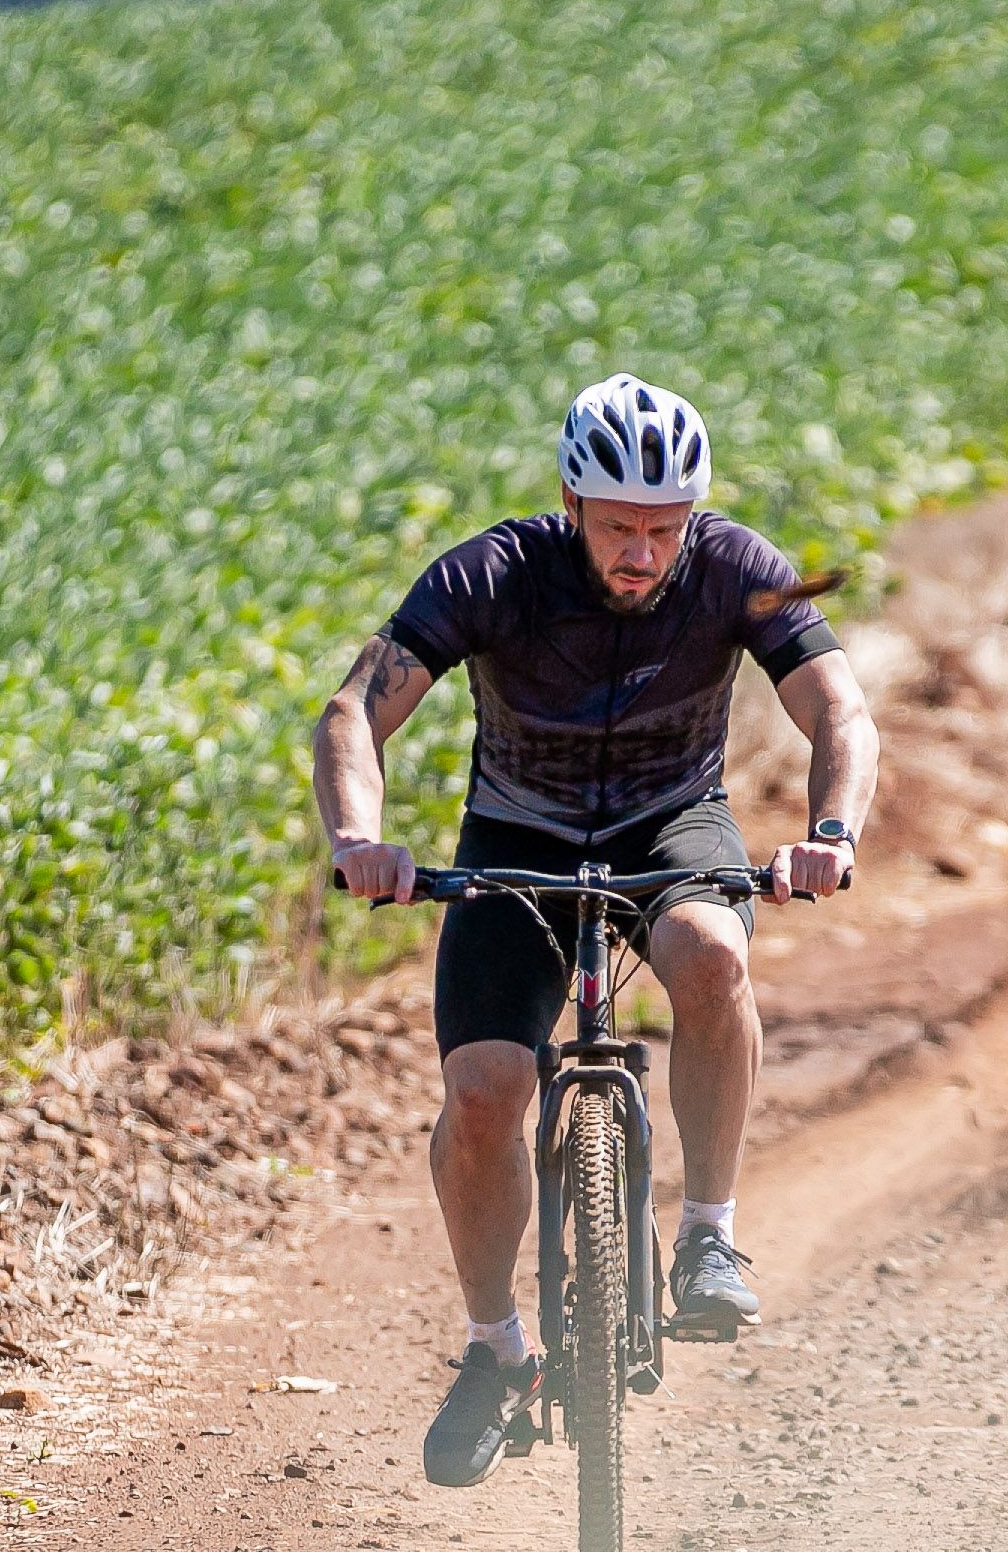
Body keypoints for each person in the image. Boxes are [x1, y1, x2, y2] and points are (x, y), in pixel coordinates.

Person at [313, 374, 881, 1487]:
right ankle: (495, 1350)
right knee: (485, 1091)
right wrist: (358, 839)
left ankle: (707, 1233)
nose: (642, 552)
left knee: (711, 954)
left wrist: (831, 832)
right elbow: (354, 712)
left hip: (672, 823)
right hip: (515, 835)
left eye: (664, 528)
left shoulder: (737, 570)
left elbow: (840, 712)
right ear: (571, 503)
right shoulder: (492, 574)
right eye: (618, 526)